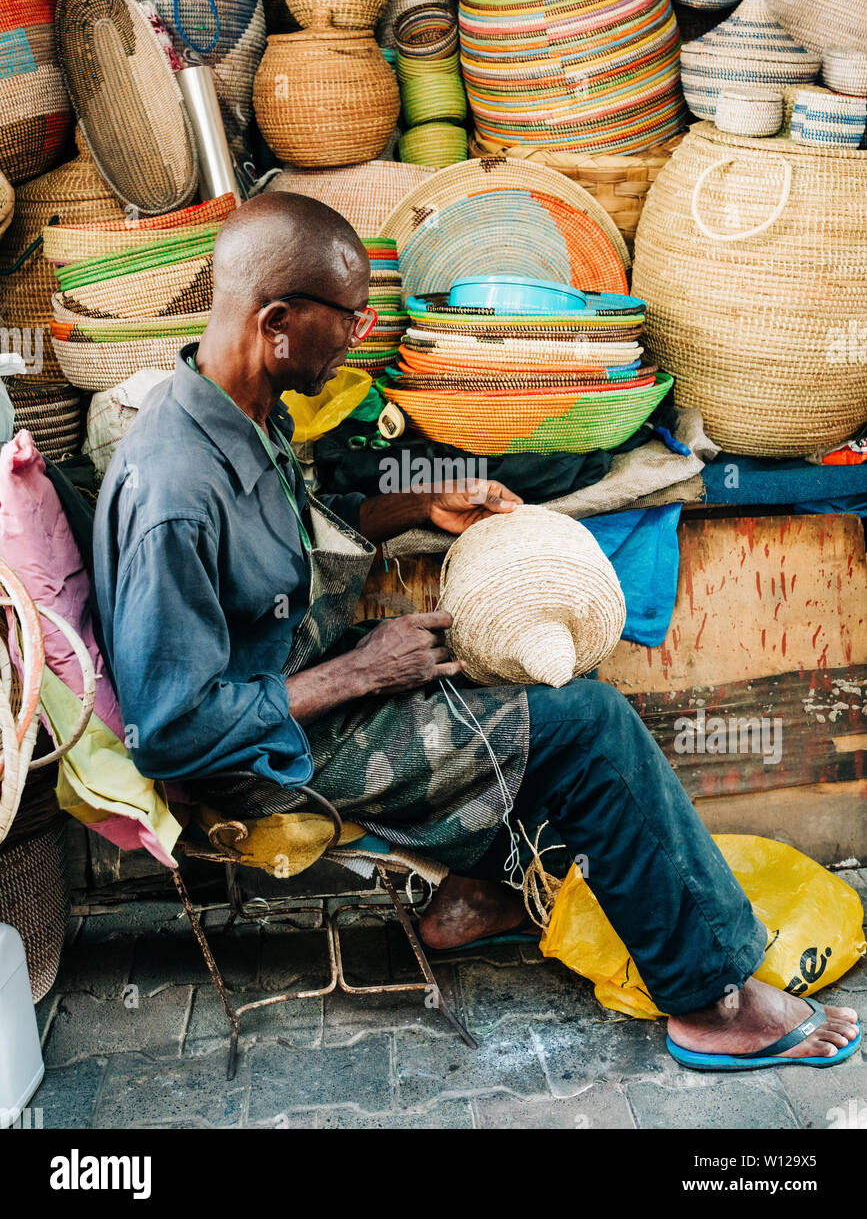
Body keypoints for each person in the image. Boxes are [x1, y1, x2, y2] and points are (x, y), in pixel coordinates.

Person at [94, 192, 860, 1071]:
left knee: (491, 652)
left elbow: (299, 533)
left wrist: (419, 502)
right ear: (276, 324)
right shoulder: (174, 490)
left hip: (294, 680)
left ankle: (471, 896)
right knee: (587, 723)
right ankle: (710, 998)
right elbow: (171, 731)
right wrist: (362, 674)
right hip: (269, 761)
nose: (361, 334)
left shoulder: (240, 408)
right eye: (348, 317)